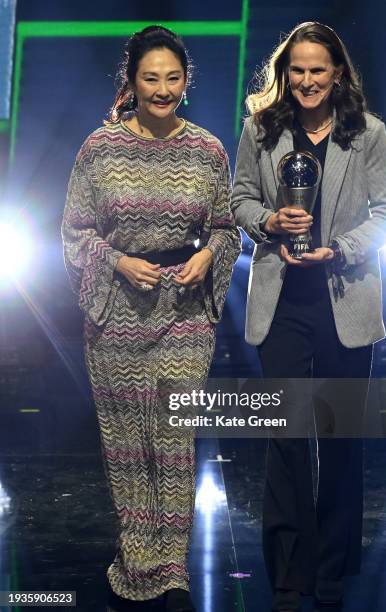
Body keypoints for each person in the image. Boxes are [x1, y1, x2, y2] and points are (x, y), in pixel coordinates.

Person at [62, 25, 240, 612]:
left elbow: (225, 226)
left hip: (184, 314)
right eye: (150, 78)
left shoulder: (209, 150)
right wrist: (116, 262)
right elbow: (74, 232)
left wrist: (208, 256)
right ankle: (136, 561)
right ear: (131, 83)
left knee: (173, 441)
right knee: (126, 444)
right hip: (116, 317)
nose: (162, 89)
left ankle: (171, 570)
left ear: (185, 82)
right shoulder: (99, 148)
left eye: (172, 78)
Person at [231, 21, 386, 612]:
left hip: (344, 300)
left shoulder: (368, 134)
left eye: (318, 70)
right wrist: (268, 223)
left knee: (339, 441)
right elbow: (239, 201)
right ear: (285, 73)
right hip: (281, 304)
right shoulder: (260, 130)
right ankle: (290, 575)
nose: (306, 81)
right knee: (283, 438)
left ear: (337, 74)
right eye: (297, 70)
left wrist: (346, 248)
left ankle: (332, 574)